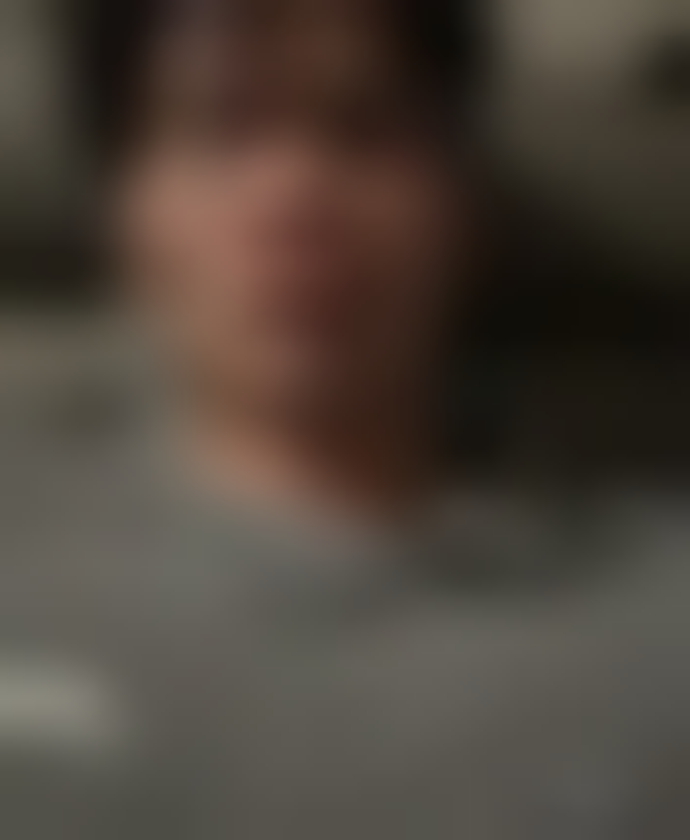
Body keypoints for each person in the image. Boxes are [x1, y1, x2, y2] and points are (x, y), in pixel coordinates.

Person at [1, 1, 689, 838]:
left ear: (460, 210)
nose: (296, 196)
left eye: (368, 131)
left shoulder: (656, 617)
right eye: (221, 131)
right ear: (126, 214)